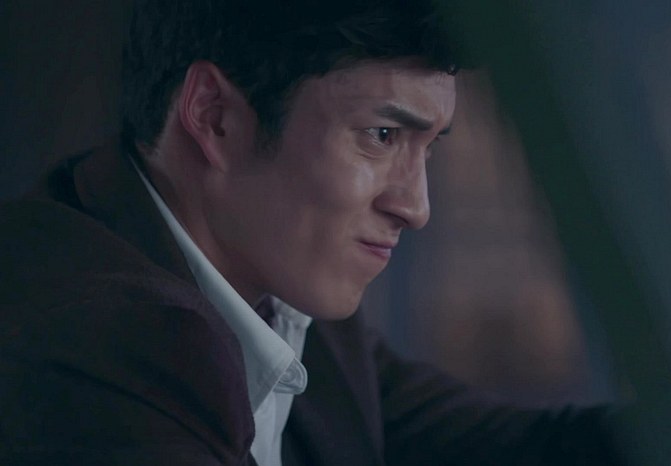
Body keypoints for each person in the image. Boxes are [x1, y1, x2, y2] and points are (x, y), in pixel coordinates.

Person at [0, 0, 622, 464]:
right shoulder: (85, 347)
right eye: (382, 136)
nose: (416, 207)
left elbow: (516, 449)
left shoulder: (284, 306)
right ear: (215, 118)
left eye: (428, 147)